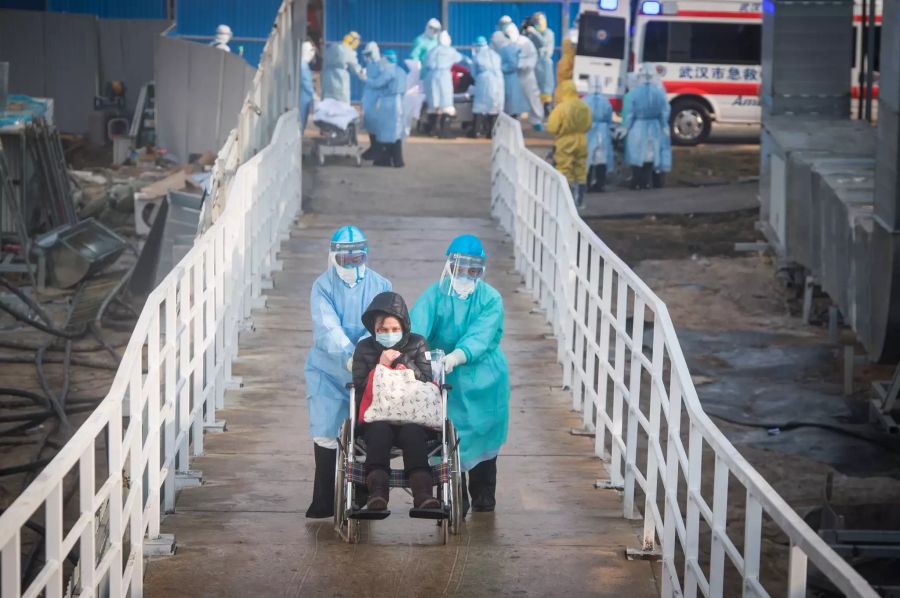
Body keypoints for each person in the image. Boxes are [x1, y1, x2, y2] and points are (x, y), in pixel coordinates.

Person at [410, 235, 510, 514]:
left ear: (482, 270)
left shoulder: (491, 299)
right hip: (443, 378)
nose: (466, 274)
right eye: (460, 268)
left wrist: (457, 356)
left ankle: (483, 495)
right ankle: (455, 495)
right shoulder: (435, 295)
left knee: (483, 437)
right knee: (445, 439)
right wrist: (417, 355)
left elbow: (482, 336)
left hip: (484, 379)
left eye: (473, 269)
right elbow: (417, 327)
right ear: (449, 266)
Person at [305, 226, 392, 518]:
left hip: (369, 372)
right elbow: (327, 327)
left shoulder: (380, 285)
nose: (352, 266)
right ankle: (323, 501)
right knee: (327, 431)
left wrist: (367, 357)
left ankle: (361, 495)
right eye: (346, 260)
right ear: (334, 258)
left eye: (358, 259)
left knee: (365, 432)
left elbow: (388, 325)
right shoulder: (323, 286)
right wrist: (349, 355)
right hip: (328, 371)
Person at [352, 292, 438, 512]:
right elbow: (360, 386)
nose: (389, 334)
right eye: (383, 330)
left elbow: (427, 382)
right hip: (378, 415)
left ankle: (423, 494)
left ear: (403, 326)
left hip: (413, 415)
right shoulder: (364, 348)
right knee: (379, 432)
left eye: (394, 329)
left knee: (412, 434)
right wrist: (380, 365)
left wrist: (402, 358)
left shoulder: (418, 343)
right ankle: (377, 493)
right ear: (374, 329)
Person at [623, 64, 672, 190]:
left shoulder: (634, 94)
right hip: (654, 127)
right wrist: (663, 125)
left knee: (636, 154)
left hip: (638, 127)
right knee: (651, 154)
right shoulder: (660, 93)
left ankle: (635, 182)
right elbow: (664, 111)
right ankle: (646, 182)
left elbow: (629, 113)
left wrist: (625, 128)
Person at [547, 80, 592, 208]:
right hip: (582, 139)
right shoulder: (584, 106)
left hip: (565, 140)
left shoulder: (561, 107)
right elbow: (589, 124)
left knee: (564, 168)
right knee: (580, 168)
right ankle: (580, 200)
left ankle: (566, 201)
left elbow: (552, 127)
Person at [368, 50, 407, 168]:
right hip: (400, 101)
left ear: (386, 59)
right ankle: (397, 160)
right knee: (396, 131)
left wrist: (364, 77)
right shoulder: (401, 71)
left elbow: (376, 84)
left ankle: (386, 159)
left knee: (387, 132)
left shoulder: (388, 72)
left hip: (389, 103)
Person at [503, 23, 543, 127]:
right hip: (513, 76)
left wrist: (524, 66)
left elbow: (533, 57)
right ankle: (513, 119)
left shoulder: (525, 42)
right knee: (512, 99)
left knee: (532, 97)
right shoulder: (506, 44)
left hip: (526, 75)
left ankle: (536, 119)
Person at [424, 31, 462, 139]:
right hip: (444, 77)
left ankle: (432, 130)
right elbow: (460, 59)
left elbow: (425, 64)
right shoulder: (450, 51)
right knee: (446, 103)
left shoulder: (431, 51)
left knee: (433, 102)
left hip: (431, 77)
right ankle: (445, 131)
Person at [468, 36, 504, 139]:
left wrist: (477, 79)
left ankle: (476, 131)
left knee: (480, 106)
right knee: (494, 106)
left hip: (484, 81)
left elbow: (473, 73)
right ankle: (492, 132)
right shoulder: (495, 54)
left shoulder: (478, 56)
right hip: (498, 81)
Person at [584, 75, 615, 192]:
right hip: (603, 132)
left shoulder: (585, 100)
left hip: (588, 130)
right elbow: (609, 118)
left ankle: (586, 183)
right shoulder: (605, 101)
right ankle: (600, 184)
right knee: (601, 159)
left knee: (588, 158)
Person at [525, 12, 555, 116]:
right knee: (535, 88)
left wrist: (534, 33)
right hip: (535, 64)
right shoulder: (532, 34)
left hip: (545, 64)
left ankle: (547, 108)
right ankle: (536, 111)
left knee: (546, 87)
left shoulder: (548, 33)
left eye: (539, 22)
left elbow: (543, 42)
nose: (537, 25)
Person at [322, 31, 363, 104]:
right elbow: (355, 68)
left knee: (328, 102)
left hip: (327, 77)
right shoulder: (348, 50)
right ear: (354, 41)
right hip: (340, 78)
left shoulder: (332, 47)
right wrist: (362, 72)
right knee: (341, 104)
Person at [361, 42, 383, 160]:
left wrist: (367, 79)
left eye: (370, 54)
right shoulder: (370, 65)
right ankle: (373, 147)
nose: (368, 57)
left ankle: (377, 149)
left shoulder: (381, 65)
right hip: (369, 98)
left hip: (378, 99)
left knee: (376, 125)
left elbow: (380, 83)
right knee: (369, 123)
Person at [300, 41, 317, 133]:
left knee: (303, 118)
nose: (312, 54)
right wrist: (314, 94)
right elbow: (306, 83)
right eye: (311, 51)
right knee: (301, 119)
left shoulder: (304, 64)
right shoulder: (303, 65)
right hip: (303, 97)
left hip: (305, 97)